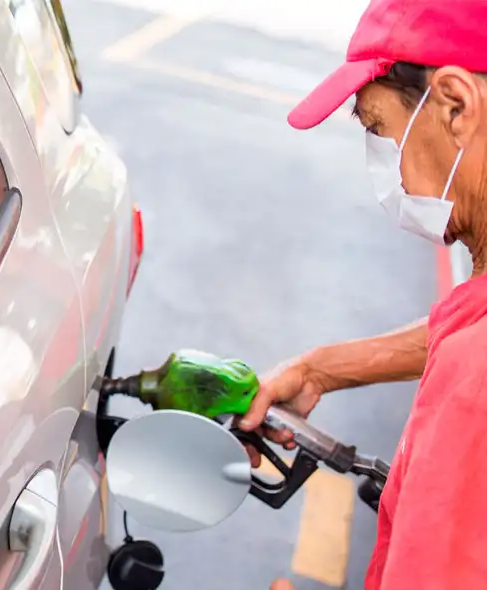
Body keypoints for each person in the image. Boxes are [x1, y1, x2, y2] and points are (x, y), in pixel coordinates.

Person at [238, 0, 487, 588]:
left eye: (379, 130)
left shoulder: (473, 385)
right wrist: (324, 370)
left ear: (455, 105)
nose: (389, 171)